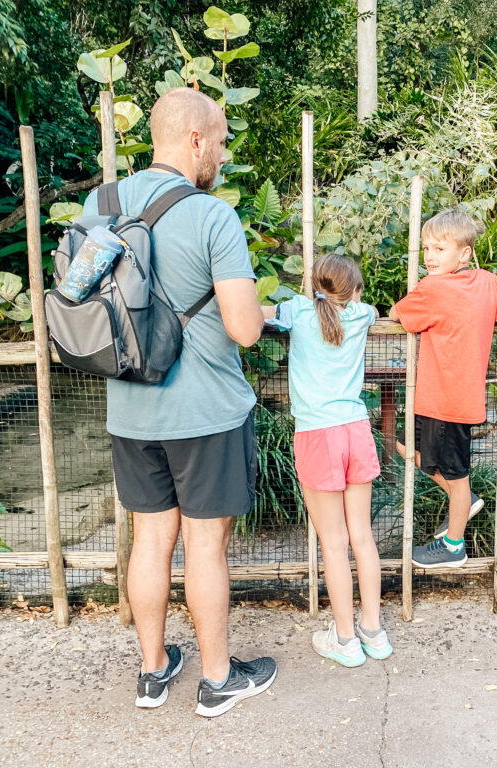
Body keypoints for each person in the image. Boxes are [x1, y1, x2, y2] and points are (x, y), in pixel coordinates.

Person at [81, 87, 276, 717]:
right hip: (205, 411)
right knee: (206, 548)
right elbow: (245, 328)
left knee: (149, 541)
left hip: (130, 409)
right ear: (195, 139)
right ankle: (218, 680)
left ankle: (153, 670)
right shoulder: (212, 215)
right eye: (218, 141)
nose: (221, 153)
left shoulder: (100, 203)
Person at [389, 208, 497, 568]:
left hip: (445, 401)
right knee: (414, 452)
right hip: (440, 399)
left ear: (464, 252)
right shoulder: (488, 283)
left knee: (454, 476)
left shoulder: (431, 289)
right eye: (426, 249)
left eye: (439, 249)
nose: (430, 256)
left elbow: (397, 314)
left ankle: (454, 545)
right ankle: (466, 500)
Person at [263, 253, 391, 666]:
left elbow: (258, 313)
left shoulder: (296, 311)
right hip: (355, 429)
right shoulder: (364, 314)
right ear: (354, 290)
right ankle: (374, 632)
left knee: (333, 545)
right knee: (363, 538)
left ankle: (346, 640)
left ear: (313, 283)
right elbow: (361, 307)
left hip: (317, 435)